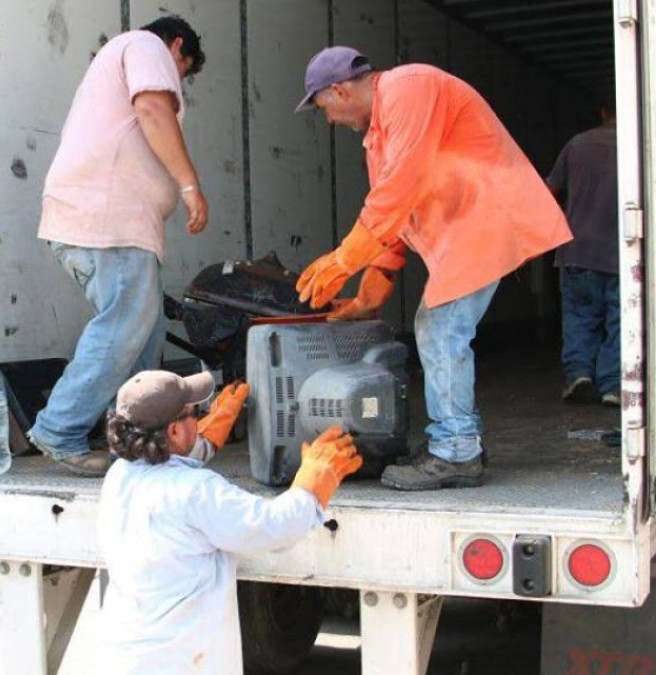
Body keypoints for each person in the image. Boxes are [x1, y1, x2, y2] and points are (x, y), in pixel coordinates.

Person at [294, 46, 572, 491]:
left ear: (339, 90)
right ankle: (459, 441)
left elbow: (400, 187)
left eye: (325, 108)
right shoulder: (379, 137)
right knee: (438, 325)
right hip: (468, 227)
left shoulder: (410, 88)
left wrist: (344, 259)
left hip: (485, 217)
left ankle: (457, 452)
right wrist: (367, 299)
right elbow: (395, 220)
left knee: (440, 327)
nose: (330, 121)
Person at [28, 16, 210, 477]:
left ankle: (133, 442)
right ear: (177, 45)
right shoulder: (146, 46)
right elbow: (152, 109)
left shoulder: (126, 56)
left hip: (112, 221)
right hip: (108, 218)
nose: (177, 84)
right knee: (125, 323)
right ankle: (59, 427)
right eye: (183, 70)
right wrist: (189, 186)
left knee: (141, 338)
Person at [97, 369, 363, 672]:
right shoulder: (196, 491)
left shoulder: (119, 477)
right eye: (193, 414)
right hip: (180, 662)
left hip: (126, 655)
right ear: (173, 432)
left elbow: (165, 462)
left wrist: (209, 435)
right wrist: (315, 481)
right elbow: (271, 527)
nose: (199, 418)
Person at [546, 102, 620, 406]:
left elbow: (548, 191)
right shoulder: (640, 144)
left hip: (576, 248)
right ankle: (614, 385)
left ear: (602, 111)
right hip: (623, 251)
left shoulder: (577, 144)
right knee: (620, 319)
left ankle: (579, 374)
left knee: (580, 315)